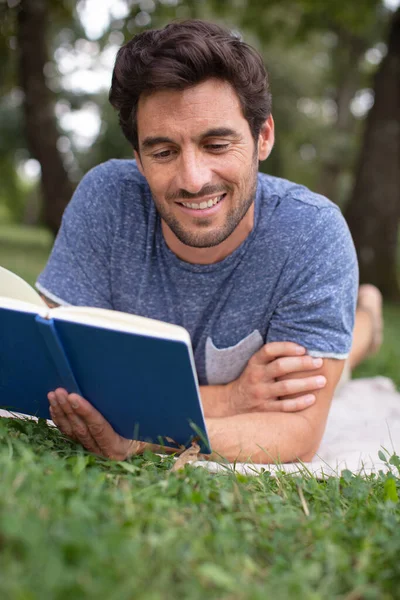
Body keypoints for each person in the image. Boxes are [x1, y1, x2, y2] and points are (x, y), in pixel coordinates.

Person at [36, 20, 381, 464]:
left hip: (290, 338)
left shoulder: (312, 233)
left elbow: (297, 431)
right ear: (138, 159)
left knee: (341, 359)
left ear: (264, 137)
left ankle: (366, 322)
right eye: (163, 152)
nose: (193, 180)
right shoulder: (108, 199)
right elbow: (59, 380)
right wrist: (230, 399)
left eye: (217, 145)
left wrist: (141, 436)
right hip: (235, 380)